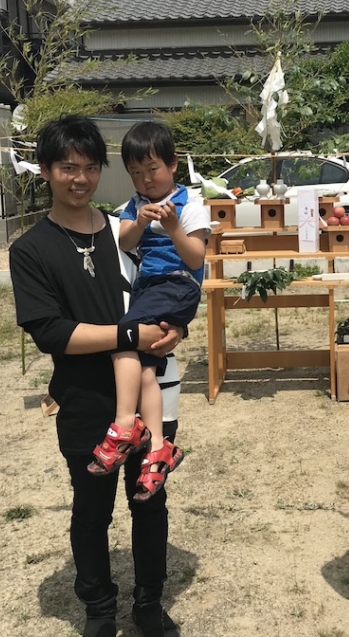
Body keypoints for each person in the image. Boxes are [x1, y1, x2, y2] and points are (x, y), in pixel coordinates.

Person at [9, 114, 183, 637]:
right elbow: (51, 332)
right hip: (85, 399)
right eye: (67, 167)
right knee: (92, 508)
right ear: (45, 171)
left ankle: (149, 604)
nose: (79, 179)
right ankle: (99, 608)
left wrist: (172, 329)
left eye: (88, 168)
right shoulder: (31, 249)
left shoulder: (122, 232)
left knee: (150, 501)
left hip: (152, 391)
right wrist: (128, 338)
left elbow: (161, 290)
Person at [87, 122, 208, 502]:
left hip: (176, 284)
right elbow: (124, 240)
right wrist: (139, 221)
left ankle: (125, 424)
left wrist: (173, 227)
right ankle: (157, 447)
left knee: (124, 340)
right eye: (135, 174)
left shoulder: (192, 204)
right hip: (150, 290)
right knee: (143, 367)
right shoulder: (133, 206)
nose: (145, 180)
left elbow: (195, 260)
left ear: (173, 164)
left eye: (152, 169)